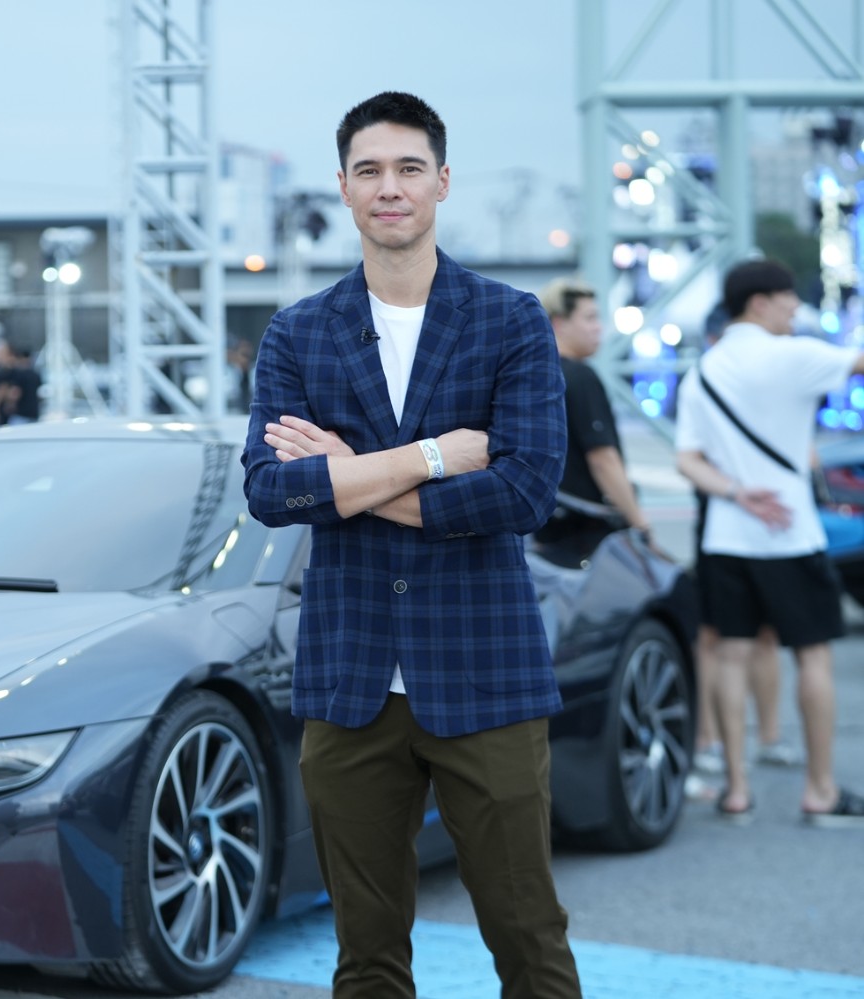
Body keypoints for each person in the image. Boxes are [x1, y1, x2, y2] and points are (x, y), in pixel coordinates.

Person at [241, 91, 581, 997]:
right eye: (369, 171)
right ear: (344, 189)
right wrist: (429, 457)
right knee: (366, 955)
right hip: (348, 679)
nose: (388, 187)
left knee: (529, 938)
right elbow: (270, 491)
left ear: (441, 181)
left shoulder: (509, 319)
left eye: (407, 169)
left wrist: (346, 478)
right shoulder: (298, 331)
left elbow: (523, 491)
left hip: (486, 672)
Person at [673, 258, 864, 825]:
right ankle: (820, 790)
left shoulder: (703, 371)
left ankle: (736, 789)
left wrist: (736, 492)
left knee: (730, 656)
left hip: (726, 536)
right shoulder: (794, 356)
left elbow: (687, 460)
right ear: (760, 303)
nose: (795, 310)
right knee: (812, 656)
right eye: (788, 300)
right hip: (790, 535)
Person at [532, 277, 658, 563]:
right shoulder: (580, 376)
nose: (599, 327)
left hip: (549, 529)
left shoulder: (537, 375)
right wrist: (639, 523)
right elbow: (603, 459)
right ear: (559, 324)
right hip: (588, 533)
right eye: (589, 318)